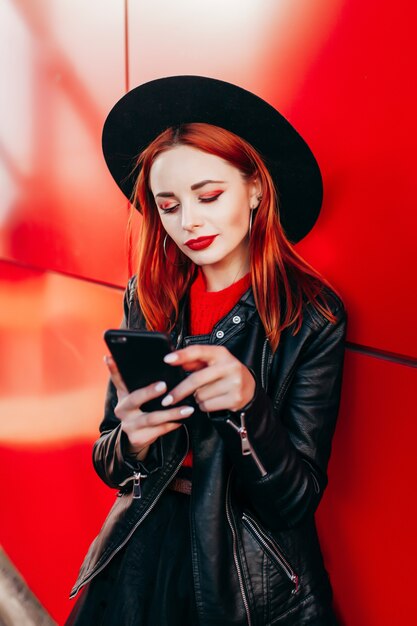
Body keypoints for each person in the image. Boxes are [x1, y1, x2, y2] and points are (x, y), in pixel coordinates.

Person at [66, 76, 347, 626]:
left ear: (256, 190)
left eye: (209, 196)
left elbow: (295, 501)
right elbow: (109, 459)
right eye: (168, 206)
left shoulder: (310, 317)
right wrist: (134, 440)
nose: (187, 222)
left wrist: (249, 407)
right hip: (142, 550)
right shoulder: (149, 299)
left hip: (245, 573)